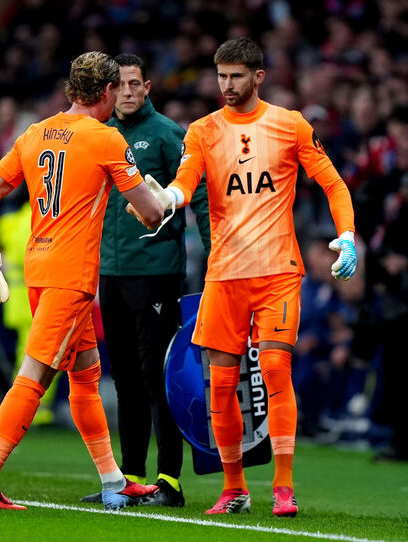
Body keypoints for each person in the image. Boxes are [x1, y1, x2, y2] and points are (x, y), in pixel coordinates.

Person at [127, 38, 357, 517]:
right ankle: (234, 488)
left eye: (235, 76)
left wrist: (348, 235)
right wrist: (166, 199)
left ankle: (284, 486)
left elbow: (333, 182)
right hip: (225, 274)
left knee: (274, 370)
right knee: (222, 381)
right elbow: (184, 183)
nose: (226, 85)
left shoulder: (290, 125)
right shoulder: (204, 130)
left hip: (278, 271)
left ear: (258, 77)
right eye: (220, 76)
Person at [0, 51, 164, 511]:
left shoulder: (34, 133)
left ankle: (114, 481)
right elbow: (150, 214)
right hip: (71, 278)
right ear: (108, 92)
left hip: (38, 270)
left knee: (86, 374)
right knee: (34, 377)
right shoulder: (106, 139)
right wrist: (158, 196)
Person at [80, 54, 211, 507]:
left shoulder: (167, 135)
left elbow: (199, 192)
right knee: (127, 381)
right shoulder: (101, 136)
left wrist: (211, 252)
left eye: (136, 84)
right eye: (122, 85)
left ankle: (169, 480)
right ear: (110, 90)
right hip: (111, 273)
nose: (130, 92)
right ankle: (130, 477)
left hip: (156, 271)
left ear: (148, 87)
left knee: (159, 377)